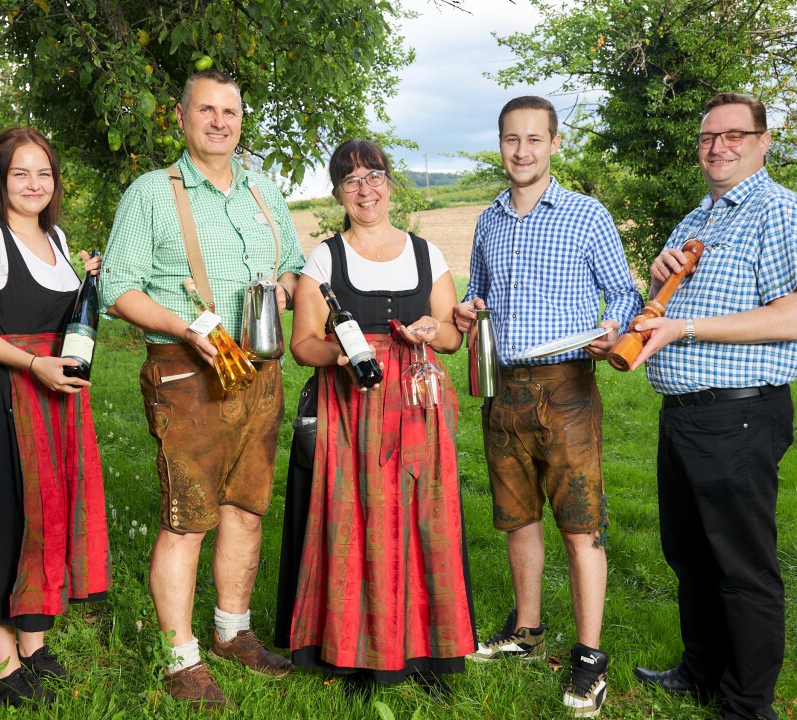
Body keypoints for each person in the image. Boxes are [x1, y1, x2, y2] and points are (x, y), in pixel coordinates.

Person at [100, 69, 304, 711]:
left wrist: (285, 293)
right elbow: (118, 289)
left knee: (246, 508)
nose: (221, 121)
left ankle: (231, 632)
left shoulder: (264, 190)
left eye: (231, 112)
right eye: (208, 110)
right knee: (188, 518)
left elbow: (295, 267)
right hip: (189, 374)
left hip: (261, 374)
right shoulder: (150, 194)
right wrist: (184, 328)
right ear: (182, 118)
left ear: (242, 121)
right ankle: (180, 657)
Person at [624, 92, 797, 720]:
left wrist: (687, 329)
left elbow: (792, 318)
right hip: (686, 413)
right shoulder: (697, 220)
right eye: (709, 137)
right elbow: (668, 310)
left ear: (764, 142)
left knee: (742, 564)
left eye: (735, 135)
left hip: (739, 413)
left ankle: (747, 702)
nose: (719, 147)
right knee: (690, 554)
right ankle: (701, 670)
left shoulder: (780, 212)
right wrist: (657, 287)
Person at [452, 96, 642, 718]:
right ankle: (526, 630)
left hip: (567, 387)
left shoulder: (586, 216)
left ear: (555, 144)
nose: (522, 151)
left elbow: (622, 290)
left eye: (535, 139)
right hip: (505, 387)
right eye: (512, 139)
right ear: (500, 143)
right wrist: (469, 307)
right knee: (516, 515)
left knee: (581, 522)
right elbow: (480, 291)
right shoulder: (488, 222)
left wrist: (614, 324)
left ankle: (589, 656)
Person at [285, 139, 476, 693]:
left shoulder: (426, 254)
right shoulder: (325, 257)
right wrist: (340, 354)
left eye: (373, 177)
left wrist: (431, 331)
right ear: (339, 193)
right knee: (357, 524)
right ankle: (357, 654)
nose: (365, 190)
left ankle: (428, 652)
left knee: (425, 522)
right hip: (352, 408)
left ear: (390, 183)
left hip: (418, 406)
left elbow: (449, 337)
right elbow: (302, 345)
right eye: (352, 181)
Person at [0, 127, 110, 708]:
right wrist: (34, 366)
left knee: (45, 519)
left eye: (44, 173)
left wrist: (89, 280)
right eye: (21, 174)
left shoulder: (57, 238)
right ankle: (6, 663)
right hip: (2, 395)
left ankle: (34, 645)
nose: (34, 184)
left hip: (53, 401)